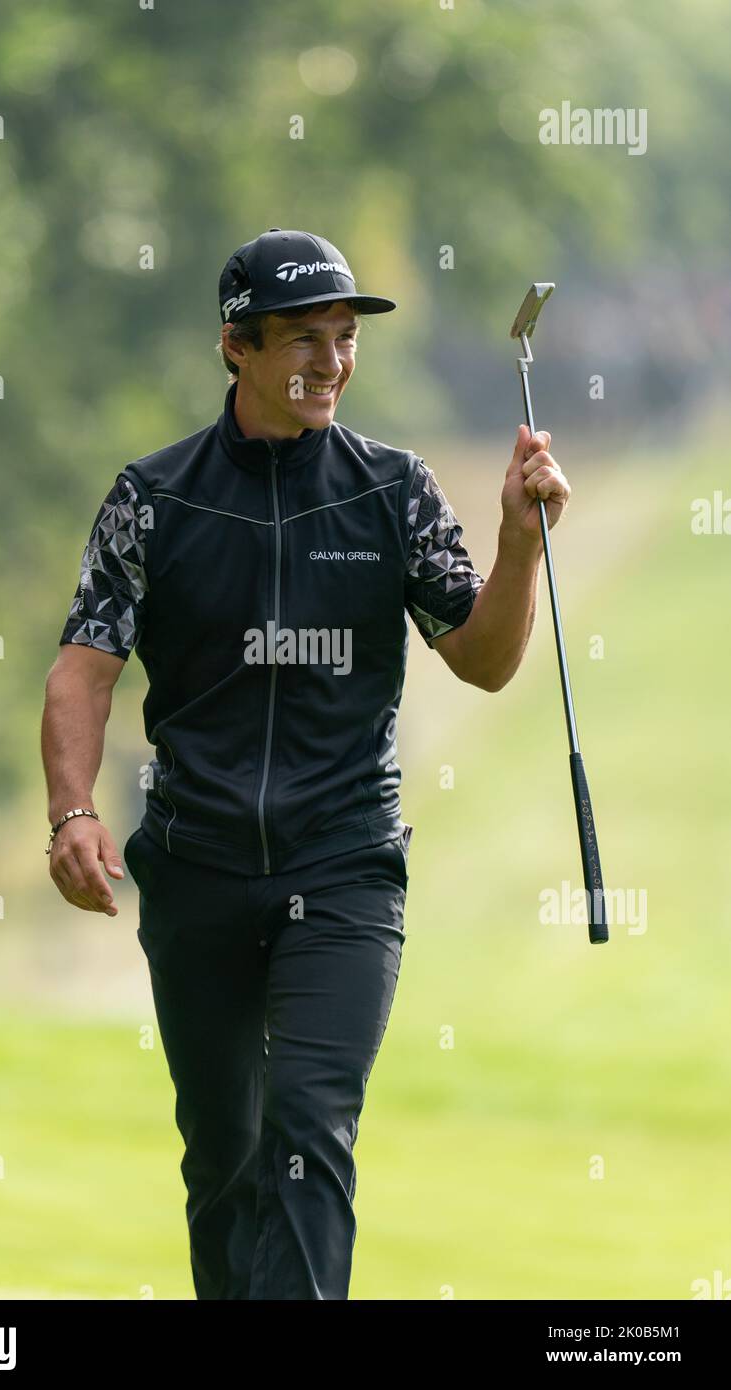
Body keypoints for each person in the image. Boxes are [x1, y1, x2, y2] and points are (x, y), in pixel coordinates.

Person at [40, 228, 571, 1300]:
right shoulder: (155, 498)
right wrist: (70, 813)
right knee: (226, 1160)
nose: (329, 361)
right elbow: (82, 672)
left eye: (342, 338)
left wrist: (516, 543)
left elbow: (479, 659)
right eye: (301, 339)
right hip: (197, 869)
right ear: (234, 346)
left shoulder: (392, 490)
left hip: (343, 869)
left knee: (307, 1124)